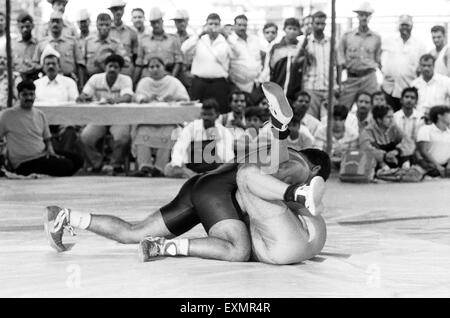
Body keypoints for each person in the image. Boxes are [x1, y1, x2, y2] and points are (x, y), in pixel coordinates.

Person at [44, 82, 330, 265]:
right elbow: (268, 171)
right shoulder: (301, 164)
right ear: (316, 169)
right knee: (237, 250)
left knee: (133, 233)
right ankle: (166, 248)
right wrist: (282, 137)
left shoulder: (267, 152)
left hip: (203, 185)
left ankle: (66, 216)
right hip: (220, 192)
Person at [0, 81, 81, 176]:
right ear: (18, 96)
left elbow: (47, 138)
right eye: (25, 95)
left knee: (78, 160)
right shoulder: (6, 115)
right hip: (23, 162)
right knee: (67, 165)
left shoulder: (39, 114)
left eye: (31, 94)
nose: (29, 98)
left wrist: (50, 150)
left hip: (42, 154)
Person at [131, 57, 190, 177]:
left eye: (158, 66)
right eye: (151, 67)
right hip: (147, 121)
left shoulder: (173, 82)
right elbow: (136, 97)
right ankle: (145, 166)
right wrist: (144, 99)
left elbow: (185, 99)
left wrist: (173, 99)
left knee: (169, 133)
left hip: (168, 121)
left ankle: (160, 167)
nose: (155, 69)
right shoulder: (144, 82)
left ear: (164, 68)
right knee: (141, 132)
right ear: (148, 70)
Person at [78, 54, 133, 174]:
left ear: (120, 69)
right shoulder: (95, 79)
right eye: (110, 66)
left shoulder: (126, 79)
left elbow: (127, 97)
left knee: (123, 138)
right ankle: (97, 163)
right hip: (99, 118)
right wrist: (82, 97)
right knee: (84, 137)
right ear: (105, 67)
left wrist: (114, 101)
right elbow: (85, 94)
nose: (112, 69)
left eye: (116, 67)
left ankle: (115, 165)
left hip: (119, 118)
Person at [34, 48, 83, 168]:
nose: (51, 66)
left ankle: (64, 160)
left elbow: (74, 103)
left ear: (59, 66)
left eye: (53, 63)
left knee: (70, 131)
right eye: (47, 64)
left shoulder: (69, 82)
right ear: (43, 67)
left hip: (64, 120)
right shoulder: (36, 84)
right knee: (44, 133)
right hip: (43, 122)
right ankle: (53, 162)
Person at [164, 99, 235, 178]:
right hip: (192, 168)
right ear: (201, 114)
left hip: (214, 169)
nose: (206, 118)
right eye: (204, 114)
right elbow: (180, 147)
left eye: (210, 115)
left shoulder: (224, 132)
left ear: (217, 115)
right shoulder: (191, 127)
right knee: (169, 168)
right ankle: (197, 177)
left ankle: (203, 178)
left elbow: (228, 156)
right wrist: (178, 164)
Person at [182, 13, 232, 113]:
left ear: (220, 26)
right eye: (210, 24)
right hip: (199, 82)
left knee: (220, 111)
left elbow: (237, 53)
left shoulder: (226, 41)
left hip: (219, 83)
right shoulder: (199, 39)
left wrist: (226, 35)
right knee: (196, 112)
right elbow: (184, 49)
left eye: (216, 24)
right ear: (206, 25)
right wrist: (200, 33)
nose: (213, 27)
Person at [338, 2, 381, 109]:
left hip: (369, 77)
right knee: (342, 108)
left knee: (372, 109)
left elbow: (378, 59)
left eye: (366, 15)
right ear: (357, 16)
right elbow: (340, 59)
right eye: (361, 15)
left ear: (370, 17)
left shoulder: (376, 37)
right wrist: (338, 82)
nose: (364, 18)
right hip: (352, 78)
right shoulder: (347, 36)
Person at [381, 15, 426, 112]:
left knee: (407, 117)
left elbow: (423, 65)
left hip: (409, 89)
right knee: (388, 116)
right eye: (402, 25)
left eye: (407, 25)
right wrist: (383, 70)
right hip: (389, 88)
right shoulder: (388, 41)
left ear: (412, 26)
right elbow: (378, 56)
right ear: (398, 26)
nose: (404, 27)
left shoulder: (419, 44)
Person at [33, 11, 85, 85]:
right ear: (49, 24)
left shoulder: (72, 42)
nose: (55, 24)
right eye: (53, 22)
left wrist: (81, 84)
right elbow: (35, 64)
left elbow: (80, 64)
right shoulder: (42, 43)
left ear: (62, 24)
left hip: (69, 79)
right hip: (47, 80)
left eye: (58, 22)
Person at [134, 7, 184, 85]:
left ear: (162, 21)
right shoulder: (144, 40)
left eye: (158, 22)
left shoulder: (173, 39)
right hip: (148, 78)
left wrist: (172, 79)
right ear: (150, 23)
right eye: (153, 22)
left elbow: (178, 61)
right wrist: (134, 82)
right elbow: (139, 63)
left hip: (167, 77)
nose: (156, 25)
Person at [303, 11, 338, 120]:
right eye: (317, 23)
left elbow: (338, 64)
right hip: (311, 88)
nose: (320, 27)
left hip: (329, 88)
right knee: (311, 120)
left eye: (322, 24)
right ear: (312, 24)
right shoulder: (305, 42)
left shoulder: (332, 42)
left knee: (328, 121)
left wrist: (338, 85)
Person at [360, 104, 409, 171]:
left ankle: (404, 169)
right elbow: (366, 150)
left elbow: (408, 141)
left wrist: (397, 151)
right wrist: (385, 155)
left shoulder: (394, 127)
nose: (392, 120)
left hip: (394, 156)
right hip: (380, 160)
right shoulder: (367, 131)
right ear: (379, 120)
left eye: (392, 117)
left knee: (408, 153)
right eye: (388, 117)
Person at [84, 13, 129, 78]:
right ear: (96, 25)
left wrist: (109, 57)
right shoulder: (88, 41)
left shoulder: (116, 43)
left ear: (111, 25)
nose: (104, 27)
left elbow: (126, 63)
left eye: (107, 25)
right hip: (90, 79)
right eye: (101, 24)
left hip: (109, 80)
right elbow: (82, 62)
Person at [269, 17, 303, 100]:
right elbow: (269, 69)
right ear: (284, 29)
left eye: (295, 29)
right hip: (277, 89)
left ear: (298, 31)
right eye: (289, 28)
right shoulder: (276, 48)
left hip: (295, 92)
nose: (292, 31)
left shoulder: (300, 49)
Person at [228, 15, 262, 95]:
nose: (242, 28)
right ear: (234, 26)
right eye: (239, 25)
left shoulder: (254, 39)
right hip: (237, 85)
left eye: (244, 25)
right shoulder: (230, 40)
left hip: (255, 84)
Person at [416, 105, 450, 177]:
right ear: (439, 116)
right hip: (429, 166)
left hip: (446, 166)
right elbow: (423, 151)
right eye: (448, 114)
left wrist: (448, 166)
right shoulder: (425, 129)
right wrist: (438, 166)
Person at [108, 0, 138, 77]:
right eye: (115, 9)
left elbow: (135, 54)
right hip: (110, 70)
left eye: (120, 9)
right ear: (111, 11)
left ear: (123, 10)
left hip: (126, 70)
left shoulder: (132, 32)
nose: (118, 12)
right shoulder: (107, 31)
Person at [393, 87, 424, 159]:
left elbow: (421, 141)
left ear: (416, 101)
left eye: (412, 98)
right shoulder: (394, 117)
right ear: (401, 100)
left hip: (417, 154)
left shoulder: (421, 118)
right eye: (406, 97)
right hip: (397, 153)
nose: (409, 100)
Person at [12, 12, 39, 81]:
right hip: (16, 79)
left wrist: (35, 67)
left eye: (27, 26)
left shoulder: (38, 44)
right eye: (22, 27)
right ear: (18, 27)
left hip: (34, 78)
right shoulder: (12, 44)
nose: (25, 29)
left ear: (32, 26)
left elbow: (42, 64)